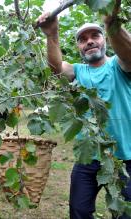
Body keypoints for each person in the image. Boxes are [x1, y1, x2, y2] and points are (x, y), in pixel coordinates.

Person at [37, 1, 131, 219]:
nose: (89, 42)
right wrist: (52, 34)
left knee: (125, 214)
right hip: (88, 157)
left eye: (94, 36)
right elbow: (56, 69)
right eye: (82, 39)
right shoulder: (78, 71)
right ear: (79, 46)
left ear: (105, 39)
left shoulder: (119, 64)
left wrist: (111, 23)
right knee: (79, 211)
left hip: (125, 158)